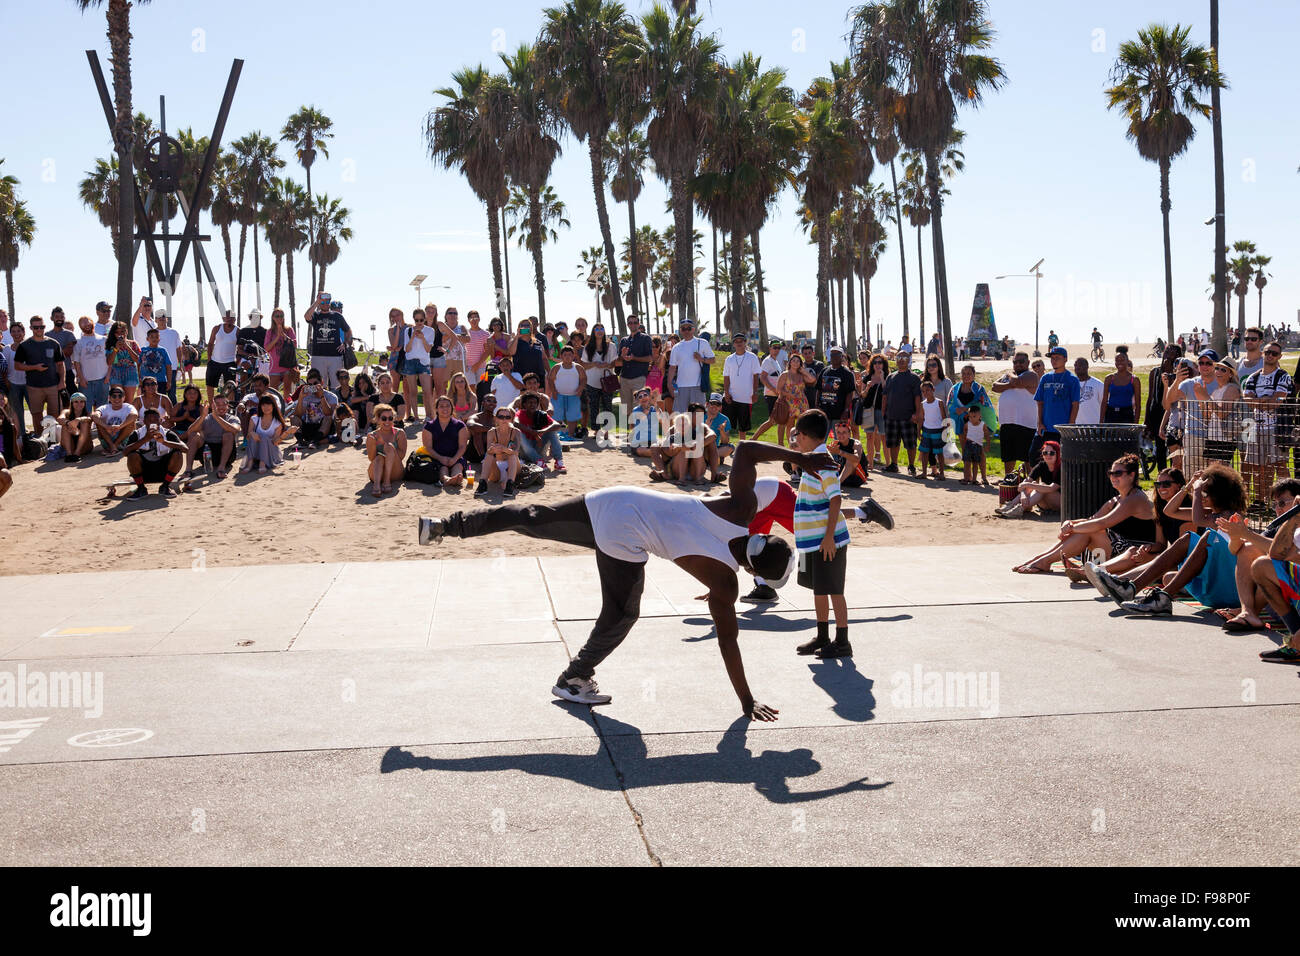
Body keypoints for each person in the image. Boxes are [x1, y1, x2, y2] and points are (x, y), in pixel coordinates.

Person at [417, 438, 835, 715]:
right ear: (751, 570)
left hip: (616, 500)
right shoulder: (726, 584)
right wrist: (747, 701)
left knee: (529, 516)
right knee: (621, 614)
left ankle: (444, 526)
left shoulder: (741, 508)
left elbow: (744, 450)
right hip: (624, 538)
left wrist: (802, 459)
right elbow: (729, 643)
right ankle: (574, 677)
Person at [1086, 464, 1249, 615]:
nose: (1202, 496)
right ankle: (1132, 588)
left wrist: (1198, 490)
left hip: (1230, 590)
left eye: (1207, 493)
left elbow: (1198, 520)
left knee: (1197, 538)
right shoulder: (1211, 513)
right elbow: (1170, 510)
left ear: (1218, 495)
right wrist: (1189, 485)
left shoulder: (1229, 516)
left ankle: (1139, 590)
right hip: (1216, 583)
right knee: (1180, 552)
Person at [1013, 453, 1150, 573]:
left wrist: (1073, 528)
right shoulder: (1116, 499)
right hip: (1118, 547)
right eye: (1111, 473)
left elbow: (1102, 523)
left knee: (1089, 530)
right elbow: (1092, 519)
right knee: (1085, 527)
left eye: (1118, 473)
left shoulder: (1135, 498)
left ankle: (1044, 561)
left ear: (1132, 475)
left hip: (1137, 551)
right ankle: (1041, 559)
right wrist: (1071, 523)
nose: (1113, 477)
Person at [1241, 341, 1293, 506]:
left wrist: (1260, 401)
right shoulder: (1253, 377)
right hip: (1256, 427)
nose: (1270, 355)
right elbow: (1248, 401)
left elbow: (1275, 403)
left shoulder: (1283, 376)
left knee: (1280, 465)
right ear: (1263, 353)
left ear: (1279, 356)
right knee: (1258, 467)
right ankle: (1262, 501)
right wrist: (1264, 400)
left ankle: (1287, 501)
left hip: (1277, 428)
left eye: (1274, 353)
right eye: (1268, 352)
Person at [992, 351, 1039, 475]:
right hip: (1007, 422)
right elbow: (994, 386)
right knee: (1008, 457)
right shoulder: (1010, 376)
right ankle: (1009, 481)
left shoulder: (1032, 375)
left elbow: (1017, 382)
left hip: (1026, 424)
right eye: (1015, 362)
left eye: (1021, 361)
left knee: (1028, 458)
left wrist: (1010, 375)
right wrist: (1011, 383)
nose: (1017, 364)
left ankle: (1032, 485)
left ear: (1028, 362)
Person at [1030, 346, 1079, 463]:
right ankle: (1036, 481)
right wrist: (1039, 423)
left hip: (1062, 429)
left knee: (1059, 460)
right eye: (1052, 358)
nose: (1054, 360)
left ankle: (1057, 482)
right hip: (1045, 428)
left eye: (1057, 358)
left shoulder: (1072, 379)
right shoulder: (1045, 378)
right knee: (1034, 457)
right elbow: (1040, 402)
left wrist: (1070, 426)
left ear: (1065, 359)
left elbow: (1075, 404)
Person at [123, 408, 185, 498]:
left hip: (164, 471)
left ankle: (165, 486)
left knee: (178, 454)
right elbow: (125, 452)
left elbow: (185, 449)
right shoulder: (137, 434)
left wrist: (164, 442)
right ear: (144, 421)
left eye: (155, 420)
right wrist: (145, 439)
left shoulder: (168, 433)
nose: (153, 423)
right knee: (132, 455)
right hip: (144, 472)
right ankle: (141, 489)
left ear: (160, 421)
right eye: (149, 420)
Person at [15, 314, 65, 423]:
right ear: (31, 328)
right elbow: (17, 365)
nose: (39, 329)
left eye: (41, 327)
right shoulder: (24, 345)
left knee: (55, 415)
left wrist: (62, 381)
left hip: (53, 385)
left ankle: (53, 439)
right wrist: (35, 367)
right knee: (37, 415)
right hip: (34, 386)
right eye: (35, 327)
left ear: (45, 327)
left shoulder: (53, 343)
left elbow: (61, 364)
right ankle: (39, 437)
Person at [881, 349, 922, 475]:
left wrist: (916, 414)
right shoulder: (890, 377)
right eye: (899, 357)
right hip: (891, 416)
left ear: (909, 360)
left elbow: (917, 398)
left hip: (908, 417)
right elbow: (885, 396)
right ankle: (894, 464)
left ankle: (911, 465)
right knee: (893, 442)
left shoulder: (914, 378)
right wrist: (883, 412)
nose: (901, 360)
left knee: (910, 443)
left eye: (904, 358)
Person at [996, 440, 1062, 518]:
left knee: (1038, 485)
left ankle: (1020, 508)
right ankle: (1011, 505)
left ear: (1057, 454)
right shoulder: (1041, 465)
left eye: (1052, 453)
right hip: (1045, 504)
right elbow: (1023, 484)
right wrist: (1023, 495)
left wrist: (1029, 485)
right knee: (1033, 485)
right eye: (1045, 453)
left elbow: (1052, 488)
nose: (1048, 455)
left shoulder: (1061, 467)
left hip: (1060, 503)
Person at [184, 394, 240, 479]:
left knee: (228, 434)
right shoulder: (206, 417)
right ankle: (188, 470)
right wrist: (202, 416)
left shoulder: (233, 418)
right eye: (217, 404)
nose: (221, 407)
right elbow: (189, 432)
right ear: (212, 406)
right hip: (207, 454)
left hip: (227, 455)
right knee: (194, 435)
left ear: (228, 406)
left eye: (224, 404)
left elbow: (235, 430)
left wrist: (216, 417)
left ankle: (221, 468)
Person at [421, 394, 470, 487]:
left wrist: (454, 458)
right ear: (436, 409)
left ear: (452, 408)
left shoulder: (460, 425)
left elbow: (463, 446)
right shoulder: (429, 426)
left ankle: (457, 477)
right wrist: (440, 458)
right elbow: (428, 447)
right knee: (442, 468)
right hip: (436, 457)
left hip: (456, 456)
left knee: (458, 466)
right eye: (441, 406)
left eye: (448, 406)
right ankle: (446, 479)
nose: (445, 408)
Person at [304, 292, 351, 385]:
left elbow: (348, 331)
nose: (325, 304)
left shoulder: (337, 316)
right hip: (318, 356)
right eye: (322, 302)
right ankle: (320, 399)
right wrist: (317, 302)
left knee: (337, 384)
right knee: (318, 385)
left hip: (335, 356)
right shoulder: (316, 316)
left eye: (327, 301)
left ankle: (335, 399)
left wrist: (345, 344)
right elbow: (306, 316)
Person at [722, 332, 762, 441]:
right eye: (736, 341)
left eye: (741, 341)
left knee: (743, 426)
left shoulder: (752, 357)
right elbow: (726, 377)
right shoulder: (729, 359)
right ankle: (726, 444)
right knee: (727, 423)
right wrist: (726, 393)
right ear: (733, 344)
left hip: (746, 397)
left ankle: (742, 446)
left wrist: (755, 392)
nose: (739, 343)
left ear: (745, 342)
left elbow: (755, 376)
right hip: (732, 396)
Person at [667, 319, 715, 412]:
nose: (686, 331)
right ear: (680, 331)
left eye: (689, 328)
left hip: (698, 386)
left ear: (693, 329)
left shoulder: (702, 342)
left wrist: (701, 359)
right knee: (681, 417)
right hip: (680, 387)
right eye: (684, 329)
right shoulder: (676, 347)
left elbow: (713, 360)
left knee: (698, 417)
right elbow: (672, 367)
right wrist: (669, 384)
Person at [478, 401, 522, 498]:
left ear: (511, 419)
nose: (504, 419)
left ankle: (510, 484)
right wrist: (494, 450)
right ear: (496, 419)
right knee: (489, 455)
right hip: (497, 467)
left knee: (512, 455)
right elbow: (488, 451)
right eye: (501, 417)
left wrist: (503, 449)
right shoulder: (491, 432)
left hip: (513, 467)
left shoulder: (516, 432)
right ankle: (482, 483)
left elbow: (516, 452)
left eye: (507, 417)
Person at [515, 390, 566, 473]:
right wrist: (531, 431)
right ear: (524, 404)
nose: (533, 405)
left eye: (535, 403)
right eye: (530, 403)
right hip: (524, 452)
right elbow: (515, 423)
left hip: (538, 448)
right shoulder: (520, 413)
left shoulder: (541, 414)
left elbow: (557, 424)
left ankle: (559, 462)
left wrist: (541, 431)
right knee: (518, 432)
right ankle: (538, 461)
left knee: (552, 431)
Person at [401, 307, 437, 421]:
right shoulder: (408, 330)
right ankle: (416, 417)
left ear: (425, 319)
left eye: (421, 320)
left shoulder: (430, 331)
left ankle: (429, 415)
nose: (419, 323)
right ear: (413, 320)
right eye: (416, 320)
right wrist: (412, 337)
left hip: (424, 362)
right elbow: (407, 349)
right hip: (410, 361)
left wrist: (422, 338)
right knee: (413, 391)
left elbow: (428, 349)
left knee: (427, 391)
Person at [366, 403, 407, 496]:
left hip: (395, 470)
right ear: (378, 419)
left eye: (390, 418)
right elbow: (372, 458)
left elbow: (401, 456)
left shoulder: (400, 433)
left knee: (388, 447)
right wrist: (374, 444)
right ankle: (376, 486)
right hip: (377, 471)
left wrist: (385, 446)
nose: (387, 421)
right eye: (384, 418)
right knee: (379, 457)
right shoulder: (372, 435)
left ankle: (386, 481)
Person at [856, 353, 888, 473]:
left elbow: (887, 391)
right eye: (875, 363)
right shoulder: (867, 377)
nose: (878, 365)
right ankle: (870, 464)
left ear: (883, 364)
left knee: (884, 436)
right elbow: (862, 395)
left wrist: (883, 378)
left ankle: (889, 463)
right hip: (869, 410)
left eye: (880, 362)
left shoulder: (887, 376)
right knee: (870, 436)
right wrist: (868, 388)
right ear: (872, 364)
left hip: (882, 410)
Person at [546, 345, 585, 440]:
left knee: (572, 417)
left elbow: (583, 379)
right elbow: (550, 379)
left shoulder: (578, 367)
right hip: (558, 395)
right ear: (561, 356)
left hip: (574, 396)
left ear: (573, 356)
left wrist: (580, 389)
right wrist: (553, 391)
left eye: (570, 355)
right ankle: (556, 436)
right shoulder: (557, 367)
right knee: (556, 416)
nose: (567, 357)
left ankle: (570, 435)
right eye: (565, 355)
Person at [293, 368, 339, 449]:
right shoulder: (306, 396)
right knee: (294, 418)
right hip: (309, 427)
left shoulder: (331, 396)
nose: (313, 387)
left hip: (324, 429)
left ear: (321, 383)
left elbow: (329, 414)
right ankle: (300, 441)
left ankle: (315, 441)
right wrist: (300, 398)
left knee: (328, 418)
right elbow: (298, 415)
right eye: (310, 385)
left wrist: (321, 397)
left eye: (315, 384)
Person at [73, 315, 110, 411]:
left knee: (102, 410)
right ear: (80, 326)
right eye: (83, 322)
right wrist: (81, 378)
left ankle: (100, 426)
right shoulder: (79, 342)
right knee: (86, 410)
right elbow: (76, 362)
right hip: (86, 382)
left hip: (103, 380)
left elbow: (110, 359)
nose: (86, 324)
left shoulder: (104, 339)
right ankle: (87, 426)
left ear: (92, 322)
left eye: (88, 321)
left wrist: (108, 376)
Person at [241, 395, 285, 474]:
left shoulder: (277, 423)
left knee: (264, 437)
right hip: (255, 450)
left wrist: (287, 433)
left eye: (268, 404)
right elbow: (247, 437)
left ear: (273, 406)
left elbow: (275, 442)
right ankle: (249, 464)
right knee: (252, 437)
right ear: (260, 406)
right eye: (263, 405)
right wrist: (251, 433)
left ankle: (262, 464)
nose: (266, 407)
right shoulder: (254, 418)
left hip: (270, 453)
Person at [816, 346, 857, 428]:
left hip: (839, 413)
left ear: (842, 357)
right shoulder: (824, 371)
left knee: (839, 438)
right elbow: (819, 390)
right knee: (821, 438)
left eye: (837, 355)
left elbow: (850, 393)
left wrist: (846, 410)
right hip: (824, 412)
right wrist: (817, 405)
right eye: (832, 355)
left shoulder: (847, 373)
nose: (834, 357)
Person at [91, 385, 138, 456]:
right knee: (99, 423)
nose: (117, 398)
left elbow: (134, 415)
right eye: (114, 396)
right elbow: (94, 416)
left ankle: (114, 446)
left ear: (124, 398)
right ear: (109, 398)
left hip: (123, 440)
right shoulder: (105, 407)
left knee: (131, 423)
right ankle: (112, 446)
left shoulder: (128, 406)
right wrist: (107, 427)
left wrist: (120, 426)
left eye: (120, 396)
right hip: (107, 439)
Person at [47, 308, 79, 407]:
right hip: (51, 373)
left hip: (67, 372)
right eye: (57, 317)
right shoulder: (47, 335)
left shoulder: (69, 334)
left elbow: (69, 352)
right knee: (54, 402)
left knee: (71, 401)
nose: (60, 319)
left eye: (62, 317)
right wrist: (61, 350)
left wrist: (53, 353)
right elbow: (46, 356)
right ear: (52, 318)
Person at [205, 310, 239, 401]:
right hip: (214, 361)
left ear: (235, 319)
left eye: (231, 317)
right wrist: (209, 360)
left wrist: (238, 361)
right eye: (227, 316)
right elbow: (210, 343)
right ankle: (211, 406)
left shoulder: (238, 331)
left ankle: (230, 406)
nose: (229, 318)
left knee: (230, 386)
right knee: (210, 385)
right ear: (223, 318)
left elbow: (240, 348)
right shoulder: (217, 328)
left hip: (230, 363)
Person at [1101, 347, 1141, 424]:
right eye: (1117, 360)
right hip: (1111, 415)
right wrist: (1101, 422)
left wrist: (1136, 425)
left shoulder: (1134, 380)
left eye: (1122, 360)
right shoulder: (1109, 378)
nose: (1119, 363)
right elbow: (1104, 402)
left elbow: (1138, 405)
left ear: (1127, 361)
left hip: (1127, 416)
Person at [917, 380, 947, 480]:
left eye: (928, 390)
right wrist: (918, 431)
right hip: (926, 430)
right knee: (925, 452)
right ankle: (924, 473)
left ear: (933, 390)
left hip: (937, 431)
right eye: (923, 391)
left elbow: (944, 417)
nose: (926, 393)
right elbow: (921, 418)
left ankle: (942, 473)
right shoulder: (923, 404)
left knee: (939, 453)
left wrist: (945, 430)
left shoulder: (939, 403)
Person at [2, 321, 27, 436]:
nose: (16, 334)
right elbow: (5, 369)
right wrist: (7, 383)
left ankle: (38, 435)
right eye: (13, 331)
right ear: (10, 333)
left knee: (34, 410)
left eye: (19, 331)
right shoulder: (7, 349)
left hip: (29, 384)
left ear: (23, 332)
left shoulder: (30, 346)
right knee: (17, 413)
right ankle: (21, 435)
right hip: (13, 385)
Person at [627, 387, 665, 461]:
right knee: (640, 450)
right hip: (639, 443)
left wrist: (655, 404)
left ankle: (658, 453)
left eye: (645, 395)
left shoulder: (654, 408)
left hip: (652, 441)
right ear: (638, 401)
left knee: (661, 446)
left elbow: (661, 421)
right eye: (640, 397)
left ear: (649, 396)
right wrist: (651, 404)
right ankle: (658, 454)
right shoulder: (636, 410)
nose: (643, 397)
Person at [138, 327, 173, 404]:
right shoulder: (143, 350)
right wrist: (139, 378)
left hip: (160, 380)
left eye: (156, 337)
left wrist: (169, 381)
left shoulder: (163, 351)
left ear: (159, 339)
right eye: (152, 337)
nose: (154, 339)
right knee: (145, 400)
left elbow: (168, 366)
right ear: (147, 339)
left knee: (160, 400)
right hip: (145, 381)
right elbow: (138, 365)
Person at [828, 418, 865, 489]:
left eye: (844, 432)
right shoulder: (836, 444)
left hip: (857, 477)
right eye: (838, 432)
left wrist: (839, 452)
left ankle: (837, 484)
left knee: (850, 460)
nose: (841, 435)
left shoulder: (856, 443)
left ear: (849, 434)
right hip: (843, 477)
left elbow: (856, 459)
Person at [264, 308, 297, 390]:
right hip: (275, 366)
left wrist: (283, 335)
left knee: (287, 391)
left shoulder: (289, 330)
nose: (279, 318)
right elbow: (267, 348)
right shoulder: (270, 332)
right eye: (277, 316)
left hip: (288, 365)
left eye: (281, 316)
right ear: (273, 318)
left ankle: (286, 403)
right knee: (273, 392)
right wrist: (277, 337)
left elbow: (294, 345)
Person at [961, 404, 993, 486]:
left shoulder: (983, 425)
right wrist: (965, 442)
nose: (971, 418)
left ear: (980, 416)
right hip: (969, 444)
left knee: (976, 463)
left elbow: (987, 435)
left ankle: (975, 479)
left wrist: (988, 445)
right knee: (967, 462)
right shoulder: (968, 424)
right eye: (970, 417)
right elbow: (964, 431)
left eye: (974, 416)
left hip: (978, 445)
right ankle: (966, 478)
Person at [57, 393, 94, 462]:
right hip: (70, 445)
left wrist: (78, 419)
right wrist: (69, 423)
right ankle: (69, 455)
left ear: (85, 403)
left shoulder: (88, 413)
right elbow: (59, 419)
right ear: (72, 403)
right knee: (65, 425)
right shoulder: (66, 412)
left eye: (81, 401)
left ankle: (77, 454)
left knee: (84, 423)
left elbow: (89, 419)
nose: (79, 404)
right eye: (76, 401)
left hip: (84, 446)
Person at [704, 394, 734, 469]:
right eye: (712, 403)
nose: (715, 406)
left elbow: (725, 442)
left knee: (731, 447)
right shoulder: (700, 415)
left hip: (714, 448)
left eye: (718, 404)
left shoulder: (725, 419)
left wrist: (722, 431)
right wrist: (706, 427)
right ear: (707, 404)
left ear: (720, 407)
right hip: (700, 446)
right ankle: (714, 459)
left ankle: (709, 459)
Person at [1073, 357, 1103, 425]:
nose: (1077, 367)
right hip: (1075, 426)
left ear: (1087, 366)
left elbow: (1103, 404)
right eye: (1075, 365)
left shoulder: (1098, 384)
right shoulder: (1071, 384)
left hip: (1094, 426)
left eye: (1080, 365)